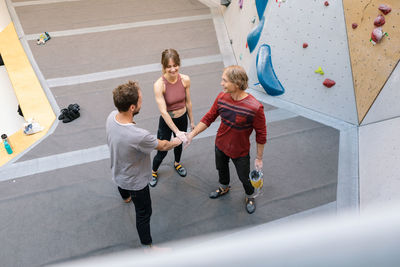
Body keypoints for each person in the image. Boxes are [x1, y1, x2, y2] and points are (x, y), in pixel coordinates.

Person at [106, 81, 182, 247]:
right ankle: (148, 247)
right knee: (144, 213)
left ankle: (126, 198)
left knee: (123, 189)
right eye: (140, 100)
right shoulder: (139, 135)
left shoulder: (111, 116)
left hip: (117, 172)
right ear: (132, 107)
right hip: (136, 182)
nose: (142, 102)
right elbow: (163, 145)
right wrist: (179, 139)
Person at [186, 65, 267, 214]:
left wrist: (259, 158)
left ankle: (250, 196)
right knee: (221, 169)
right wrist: (191, 134)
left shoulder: (255, 107)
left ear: (236, 83)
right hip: (220, 145)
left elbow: (261, 134)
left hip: (240, 151)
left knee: (244, 178)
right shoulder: (221, 97)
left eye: (224, 80)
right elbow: (209, 118)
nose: (221, 83)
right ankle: (224, 187)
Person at [150, 49, 195, 187]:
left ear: (179, 64)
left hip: (182, 119)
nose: (173, 69)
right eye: (169, 66)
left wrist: (192, 121)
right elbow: (163, 112)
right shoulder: (159, 85)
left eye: (175, 65)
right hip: (167, 122)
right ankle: (153, 171)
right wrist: (177, 131)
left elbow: (188, 102)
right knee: (162, 150)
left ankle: (177, 163)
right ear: (164, 66)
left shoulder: (185, 79)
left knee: (179, 145)